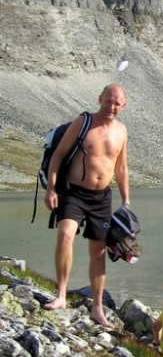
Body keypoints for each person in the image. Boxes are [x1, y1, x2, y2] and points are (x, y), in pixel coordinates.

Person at [43, 84, 130, 327]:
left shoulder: (122, 131)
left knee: (99, 251)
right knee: (65, 234)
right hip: (74, 192)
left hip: (102, 197)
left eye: (117, 103)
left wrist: (126, 201)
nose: (111, 107)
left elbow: (121, 168)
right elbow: (59, 155)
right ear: (100, 99)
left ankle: (98, 307)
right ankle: (61, 295)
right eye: (108, 101)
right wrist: (51, 189)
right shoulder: (83, 122)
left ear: (123, 106)